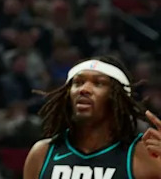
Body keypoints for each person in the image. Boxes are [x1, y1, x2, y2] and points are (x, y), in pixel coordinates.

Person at [23, 56, 161, 179]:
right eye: (78, 82)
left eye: (98, 83)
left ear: (118, 98)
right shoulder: (42, 153)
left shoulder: (143, 155)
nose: (84, 89)